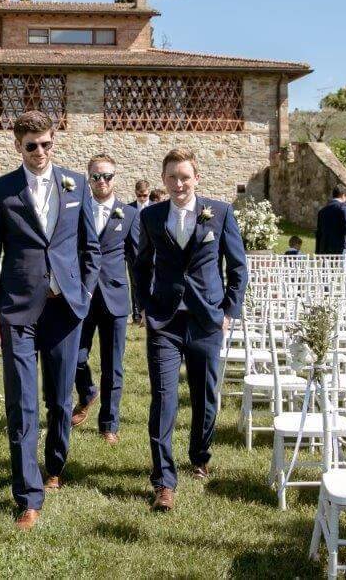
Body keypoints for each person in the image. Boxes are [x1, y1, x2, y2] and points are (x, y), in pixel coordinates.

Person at [0, 110, 101, 531]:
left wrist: (83, 292)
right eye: (32, 146)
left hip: (65, 308)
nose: (41, 152)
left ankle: (55, 464)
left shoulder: (76, 185)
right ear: (18, 146)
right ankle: (28, 496)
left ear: (53, 141)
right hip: (18, 310)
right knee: (22, 404)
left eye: (47, 144)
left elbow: (91, 248)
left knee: (61, 401)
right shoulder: (1, 190)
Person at [134, 148, 247, 512]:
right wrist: (145, 305)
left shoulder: (220, 213)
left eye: (185, 177)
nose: (179, 184)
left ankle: (199, 455)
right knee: (164, 398)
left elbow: (238, 267)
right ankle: (163, 481)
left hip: (206, 319)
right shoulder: (151, 216)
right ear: (163, 180)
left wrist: (229, 310)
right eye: (172, 177)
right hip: (165, 320)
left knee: (205, 395)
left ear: (196, 178)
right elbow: (140, 264)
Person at [72, 154, 140, 445]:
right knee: (75, 357)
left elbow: (137, 262)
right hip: (82, 297)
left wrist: (141, 306)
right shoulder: (75, 210)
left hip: (114, 297)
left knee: (113, 366)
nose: (102, 181)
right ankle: (87, 392)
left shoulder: (130, 214)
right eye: (96, 176)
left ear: (116, 177)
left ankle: (108, 423)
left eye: (107, 176)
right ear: (89, 179)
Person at [128, 179, 151, 322]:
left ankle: (150, 312)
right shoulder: (129, 209)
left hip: (151, 253)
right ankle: (137, 314)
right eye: (139, 195)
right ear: (135, 193)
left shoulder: (155, 208)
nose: (142, 199)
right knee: (135, 283)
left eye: (145, 195)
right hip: (133, 253)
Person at [315, 184, 346, 257]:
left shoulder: (322, 211)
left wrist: (318, 251)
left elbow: (319, 232)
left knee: (329, 269)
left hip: (325, 250)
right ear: (344, 195)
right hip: (341, 248)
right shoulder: (344, 206)